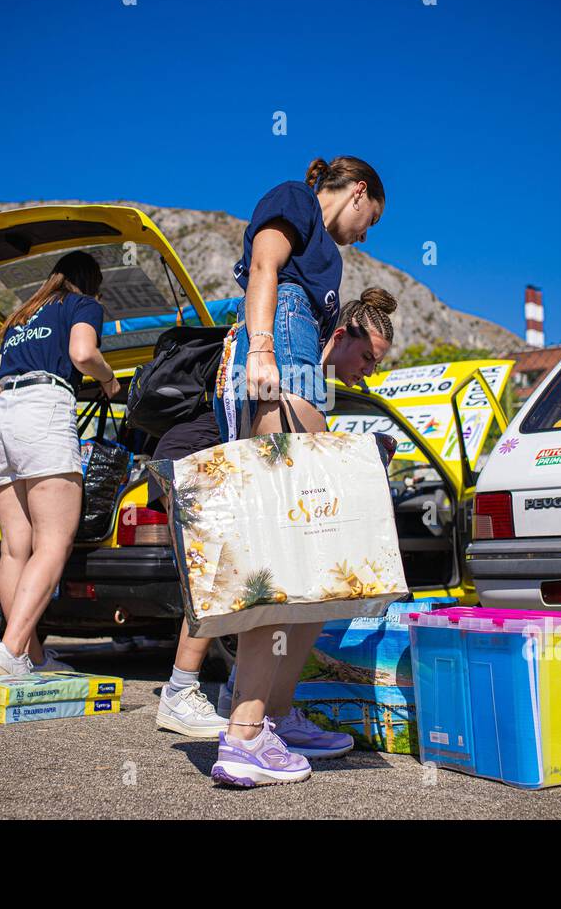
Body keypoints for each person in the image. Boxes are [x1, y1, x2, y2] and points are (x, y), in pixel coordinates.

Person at [198, 155, 386, 788]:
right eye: (370, 216)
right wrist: (261, 349)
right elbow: (264, 266)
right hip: (279, 379)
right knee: (280, 566)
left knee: (316, 573)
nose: (365, 231)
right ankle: (245, 735)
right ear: (357, 191)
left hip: (305, 387)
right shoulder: (296, 199)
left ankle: (274, 715)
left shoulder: (330, 258)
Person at [151, 288, 398, 740]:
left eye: (375, 363)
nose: (368, 371)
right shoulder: (296, 367)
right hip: (193, 454)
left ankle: (236, 695)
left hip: (213, 456)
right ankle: (182, 692)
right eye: (366, 357)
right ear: (339, 335)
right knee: (227, 568)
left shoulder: (313, 380)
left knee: (242, 567)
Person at [0, 251, 122, 676]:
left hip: (2, 417)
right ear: (91, 283)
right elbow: (82, 354)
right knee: (54, 542)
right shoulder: (83, 305)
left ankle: (28, 654)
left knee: (14, 548)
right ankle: (9, 651)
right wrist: (109, 379)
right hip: (43, 408)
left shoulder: (20, 317)